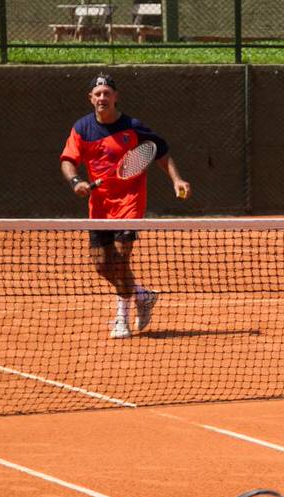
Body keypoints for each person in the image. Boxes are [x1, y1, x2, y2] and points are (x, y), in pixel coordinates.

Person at [60, 74, 191, 339]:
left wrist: (177, 179)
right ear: (90, 98)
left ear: (115, 97)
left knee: (120, 261)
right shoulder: (82, 128)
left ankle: (122, 319)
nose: (102, 98)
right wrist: (76, 181)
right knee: (101, 265)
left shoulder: (133, 127)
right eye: (98, 94)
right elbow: (68, 161)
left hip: (129, 203)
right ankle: (143, 295)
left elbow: (161, 152)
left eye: (107, 93)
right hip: (99, 207)